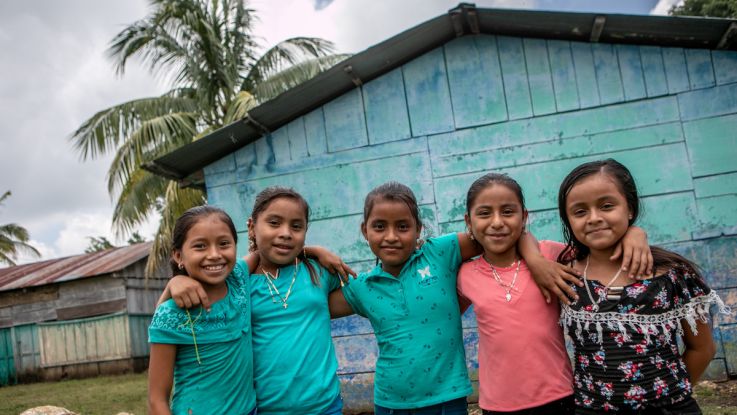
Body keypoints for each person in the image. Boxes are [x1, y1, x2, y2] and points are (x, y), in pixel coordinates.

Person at [327, 181, 629, 414]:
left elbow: (502, 236)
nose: (391, 236)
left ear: (419, 230)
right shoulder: (361, 287)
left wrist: (633, 235)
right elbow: (312, 305)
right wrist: (311, 253)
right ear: (364, 230)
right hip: (391, 400)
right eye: (379, 227)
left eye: (403, 227)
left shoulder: (440, 253)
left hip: (451, 397)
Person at [457, 172, 652, 415]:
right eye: (484, 213)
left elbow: (599, 249)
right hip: (498, 403)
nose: (497, 222)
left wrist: (635, 233)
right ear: (469, 220)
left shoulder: (552, 255)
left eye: (508, 212)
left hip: (559, 394)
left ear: (524, 216)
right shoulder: (464, 274)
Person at [557, 159, 728, 414]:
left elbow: (702, 348)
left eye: (606, 206)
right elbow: (517, 240)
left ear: (630, 208)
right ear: (568, 219)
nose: (594, 218)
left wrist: (669, 395)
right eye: (579, 211)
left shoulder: (672, 274)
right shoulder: (563, 272)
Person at [164, 187, 351, 415]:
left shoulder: (318, 271)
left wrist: (311, 252)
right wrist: (176, 282)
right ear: (252, 227)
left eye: (296, 226)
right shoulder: (237, 284)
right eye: (274, 223)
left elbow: (361, 295)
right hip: (264, 409)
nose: (285, 233)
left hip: (325, 407)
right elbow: (164, 317)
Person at [148, 206, 256, 415]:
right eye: (200, 246)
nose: (215, 255)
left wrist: (313, 252)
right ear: (179, 255)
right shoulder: (171, 314)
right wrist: (174, 283)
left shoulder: (238, 279)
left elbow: (265, 251)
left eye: (224, 244)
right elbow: (156, 400)